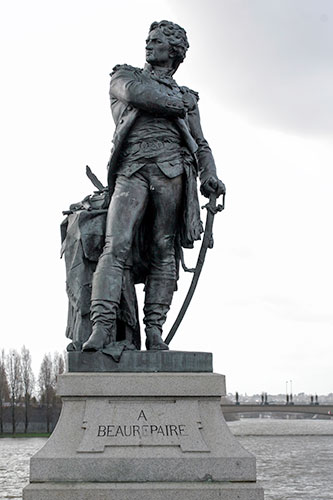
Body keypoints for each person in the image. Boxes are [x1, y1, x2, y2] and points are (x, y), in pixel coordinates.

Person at [82, 20, 225, 352]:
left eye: (157, 41)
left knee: (164, 252)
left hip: (172, 173)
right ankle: (101, 327)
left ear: (173, 51)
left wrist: (210, 176)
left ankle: (155, 330)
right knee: (115, 245)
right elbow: (138, 95)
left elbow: (200, 144)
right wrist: (179, 105)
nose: (148, 45)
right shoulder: (126, 76)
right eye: (148, 40)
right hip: (131, 169)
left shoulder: (188, 97)